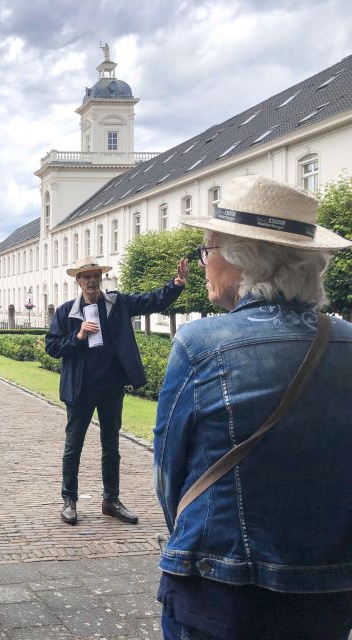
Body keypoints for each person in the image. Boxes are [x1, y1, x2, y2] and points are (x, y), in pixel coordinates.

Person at [154, 175, 352, 640]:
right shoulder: (347, 341)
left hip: (222, 586)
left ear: (242, 262)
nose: (203, 264)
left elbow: (168, 473)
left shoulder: (201, 344)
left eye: (208, 249)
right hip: (327, 588)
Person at [46, 256, 187, 526]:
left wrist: (176, 284)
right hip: (80, 389)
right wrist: (77, 337)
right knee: (73, 446)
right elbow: (52, 348)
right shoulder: (66, 312)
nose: (92, 281)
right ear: (77, 281)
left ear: (101, 277)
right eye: (86, 276)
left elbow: (151, 301)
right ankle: (69, 500)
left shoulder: (116, 303)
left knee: (112, 446)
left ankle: (111, 500)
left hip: (111, 388)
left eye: (96, 275)